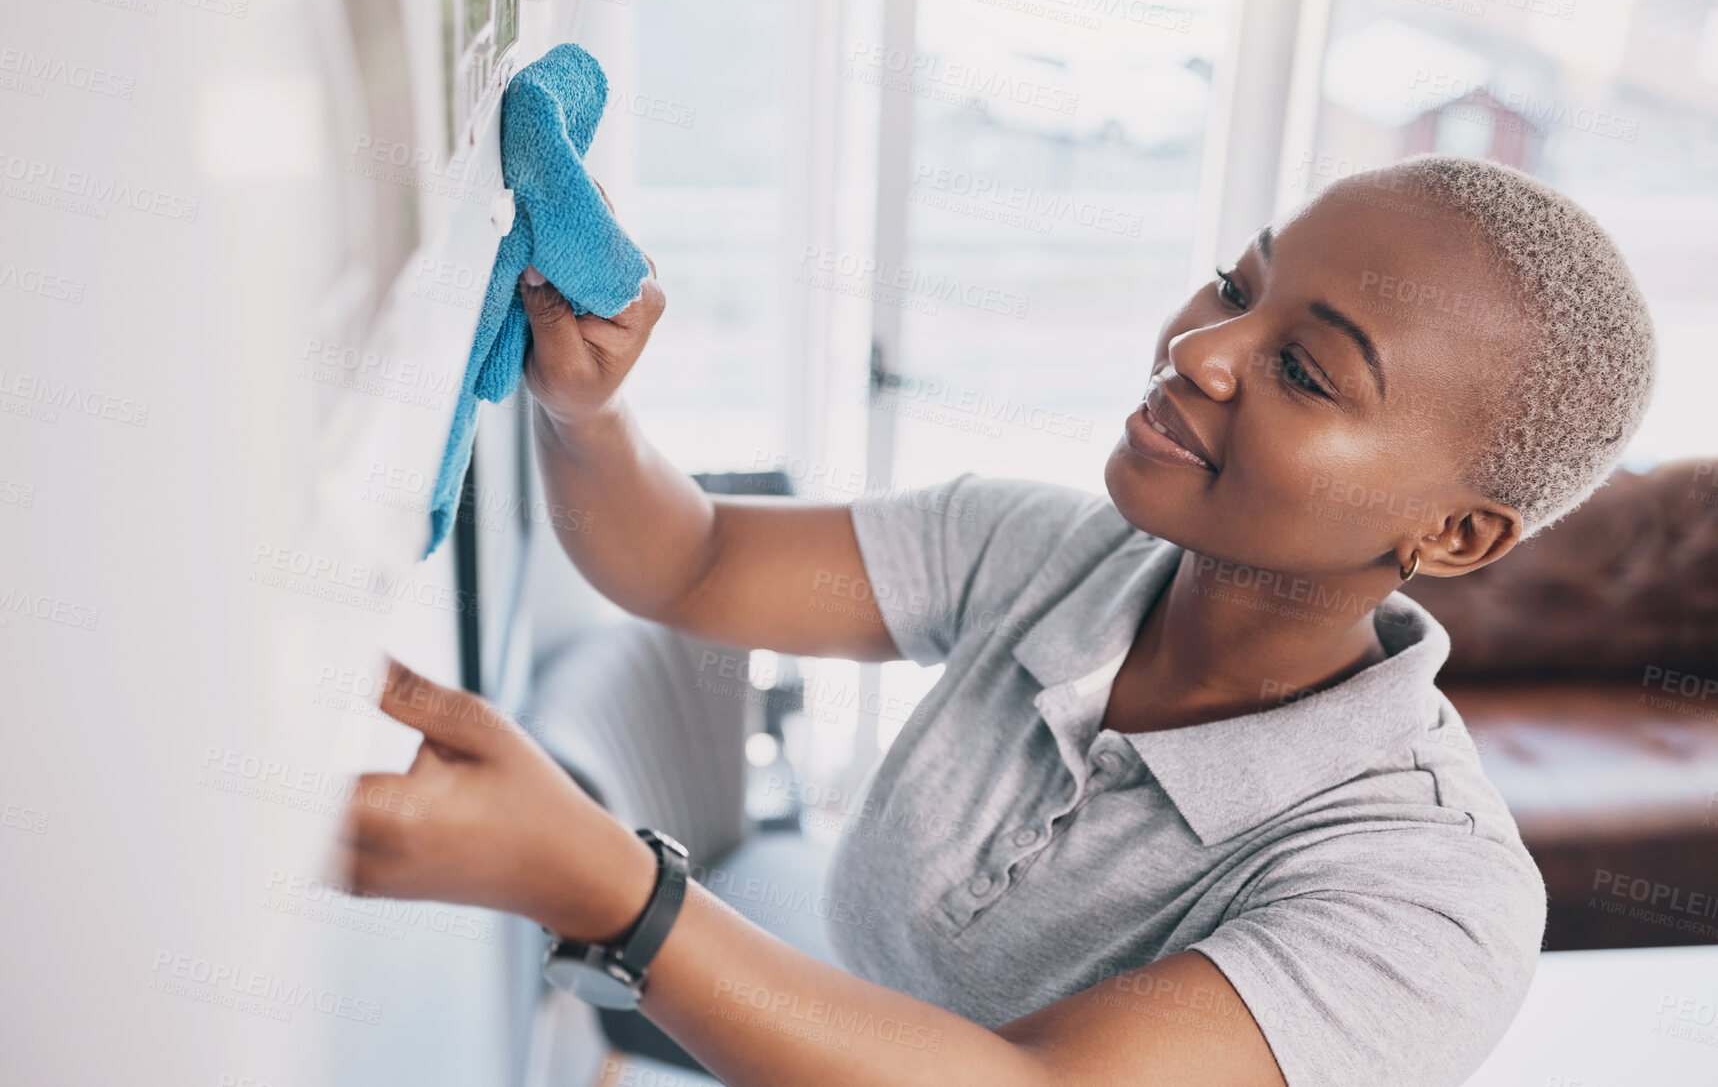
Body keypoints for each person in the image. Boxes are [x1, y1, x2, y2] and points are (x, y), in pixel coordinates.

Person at [340, 154, 1656, 1087]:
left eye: (1303, 370)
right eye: (1230, 285)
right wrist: (587, 408)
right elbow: (688, 565)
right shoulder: (1053, 553)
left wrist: (616, 898)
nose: (1200, 349)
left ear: (1453, 537)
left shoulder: (1433, 903)